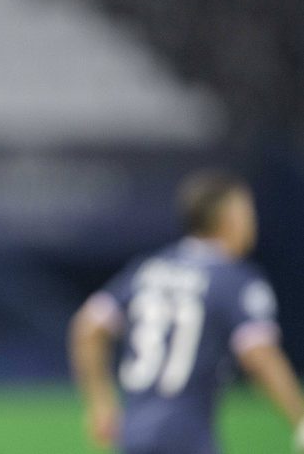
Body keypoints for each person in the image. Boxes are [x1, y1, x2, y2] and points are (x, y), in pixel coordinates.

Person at [69, 170, 304, 454]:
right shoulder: (235, 280)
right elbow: (259, 354)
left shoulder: (149, 269)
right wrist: (299, 418)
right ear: (229, 218)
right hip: (187, 435)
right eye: (247, 212)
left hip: (134, 435)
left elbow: (89, 326)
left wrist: (100, 403)